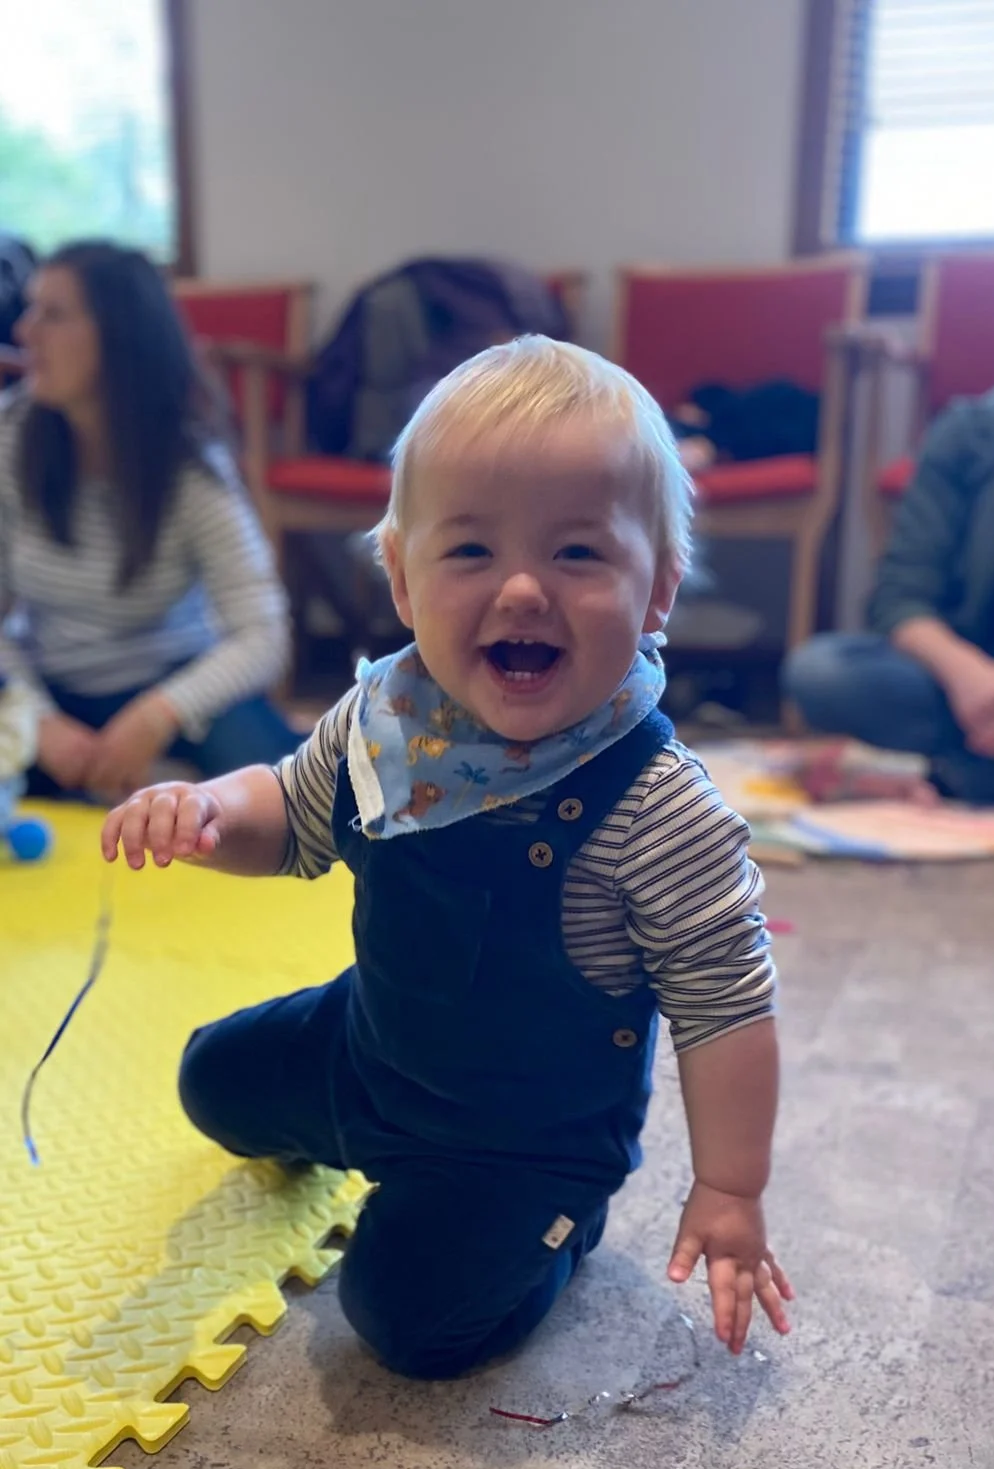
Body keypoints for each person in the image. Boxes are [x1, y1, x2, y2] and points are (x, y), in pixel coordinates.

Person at [102, 337, 793, 1379]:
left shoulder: (659, 807)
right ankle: (362, 1142)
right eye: (469, 551)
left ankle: (566, 1225)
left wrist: (731, 1187)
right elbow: (288, 813)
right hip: (372, 1049)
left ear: (657, 592)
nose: (521, 590)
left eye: (577, 553)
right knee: (211, 1076)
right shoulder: (386, 720)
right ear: (401, 577)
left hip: (521, 1142)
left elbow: (727, 1005)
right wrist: (203, 809)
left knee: (409, 1321)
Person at [0, 239, 294, 803]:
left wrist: (156, 716)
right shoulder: (12, 440)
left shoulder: (191, 468)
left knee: (274, 790)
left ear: (119, 335)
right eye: (31, 309)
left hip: (170, 688)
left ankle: (146, 778)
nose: (25, 331)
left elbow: (262, 635)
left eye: (53, 314)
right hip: (51, 689)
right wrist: (38, 720)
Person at [783, 379, 994, 805]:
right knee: (822, 671)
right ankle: (985, 768)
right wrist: (970, 677)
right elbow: (901, 596)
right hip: (970, 676)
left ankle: (965, 774)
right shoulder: (973, 430)